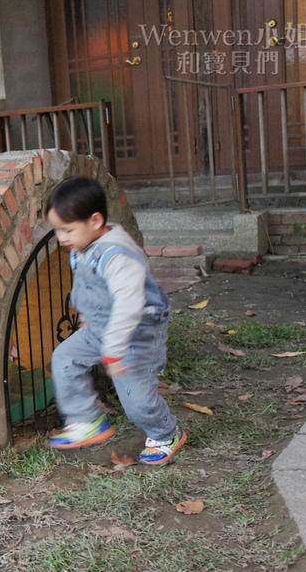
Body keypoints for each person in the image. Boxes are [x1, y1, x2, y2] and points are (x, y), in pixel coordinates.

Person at [45, 176, 185, 465]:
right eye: (57, 230)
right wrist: (87, 316)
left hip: (135, 333)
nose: (62, 238)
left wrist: (114, 350)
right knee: (65, 358)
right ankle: (86, 420)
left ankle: (165, 433)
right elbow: (89, 288)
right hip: (102, 327)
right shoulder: (83, 246)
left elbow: (128, 305)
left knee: (136, 399)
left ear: (95, 221)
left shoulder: (118, 256)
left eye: (67, 230)